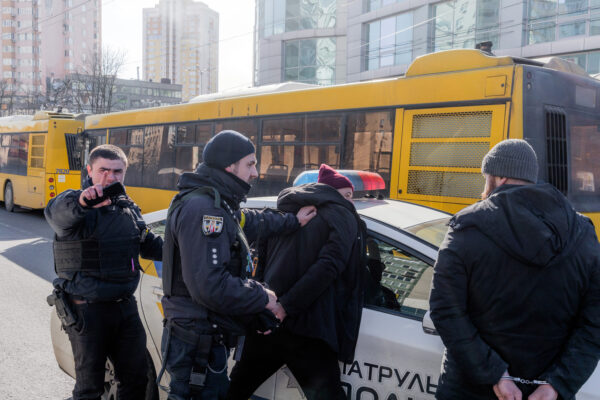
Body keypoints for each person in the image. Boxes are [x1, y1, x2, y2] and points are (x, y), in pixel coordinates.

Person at [429, 139, 600, 400]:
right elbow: (594, 323)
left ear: (499, 177)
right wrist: (557, 385)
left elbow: (444, 309)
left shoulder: (466, 227)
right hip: (545, 391)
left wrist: (495, 374)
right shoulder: (583, 234)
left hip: (469, 389)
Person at [158, 130, 316, 400]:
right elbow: (209, 286)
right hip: (197, 339)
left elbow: (250, 223)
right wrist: (261, 296)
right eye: (250, 164)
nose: (255, 172)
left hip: (204, 334)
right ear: (229, 166)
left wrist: (293, 221)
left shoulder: (219, 204)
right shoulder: (204, 209)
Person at [226, 164, 366, 400]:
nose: (351, 202)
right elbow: (329, 266)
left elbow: (259, 260)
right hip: (308, 327)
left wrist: (266, 303)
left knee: (236, 389)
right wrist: (287, 306)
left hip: (268, 319)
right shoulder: (342, 215)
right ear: (330, 192)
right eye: (348, 195)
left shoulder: (288, 213)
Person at [45, 144, 164, 400]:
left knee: (136, 381)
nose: (110, 177)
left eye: (117, 172)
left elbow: (149, 244)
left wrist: (189, 247)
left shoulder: (127, 207)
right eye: (103, 170)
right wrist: (82, 200)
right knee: (90, 388)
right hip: (88, 310)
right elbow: (56, 214)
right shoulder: (76, 204)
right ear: (89, 170)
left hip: (124, 308)